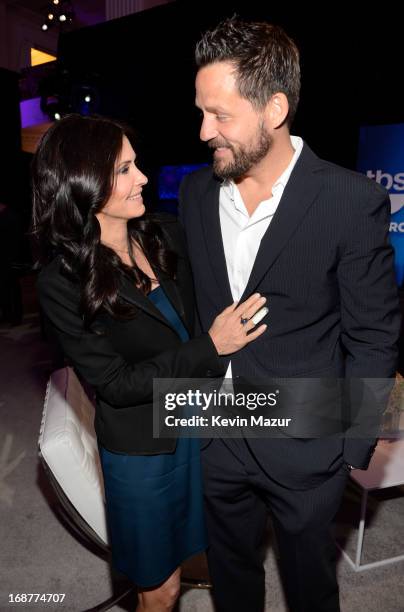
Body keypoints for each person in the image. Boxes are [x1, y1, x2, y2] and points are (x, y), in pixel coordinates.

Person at [178, 16, 400, 612]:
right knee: (232, 581)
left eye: (220, 115)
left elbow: (374, 336)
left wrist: (349, 450)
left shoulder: (351, 201)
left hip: (308, 448)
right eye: (201, 112)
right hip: (217, 435)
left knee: (309, 590)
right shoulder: (198, 195)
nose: (204, 131)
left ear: (274, 109)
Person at [31, 114, 267, 612]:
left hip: (205, 415)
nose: (143, 178)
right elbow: (116, 384)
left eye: (137, 164)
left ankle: (378, 414)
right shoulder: (61, 281)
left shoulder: (163, 233)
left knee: (338, 412)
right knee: (161, 589)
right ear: (84, 183)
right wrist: (212, 345)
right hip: (143, 447)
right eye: (125, 170)